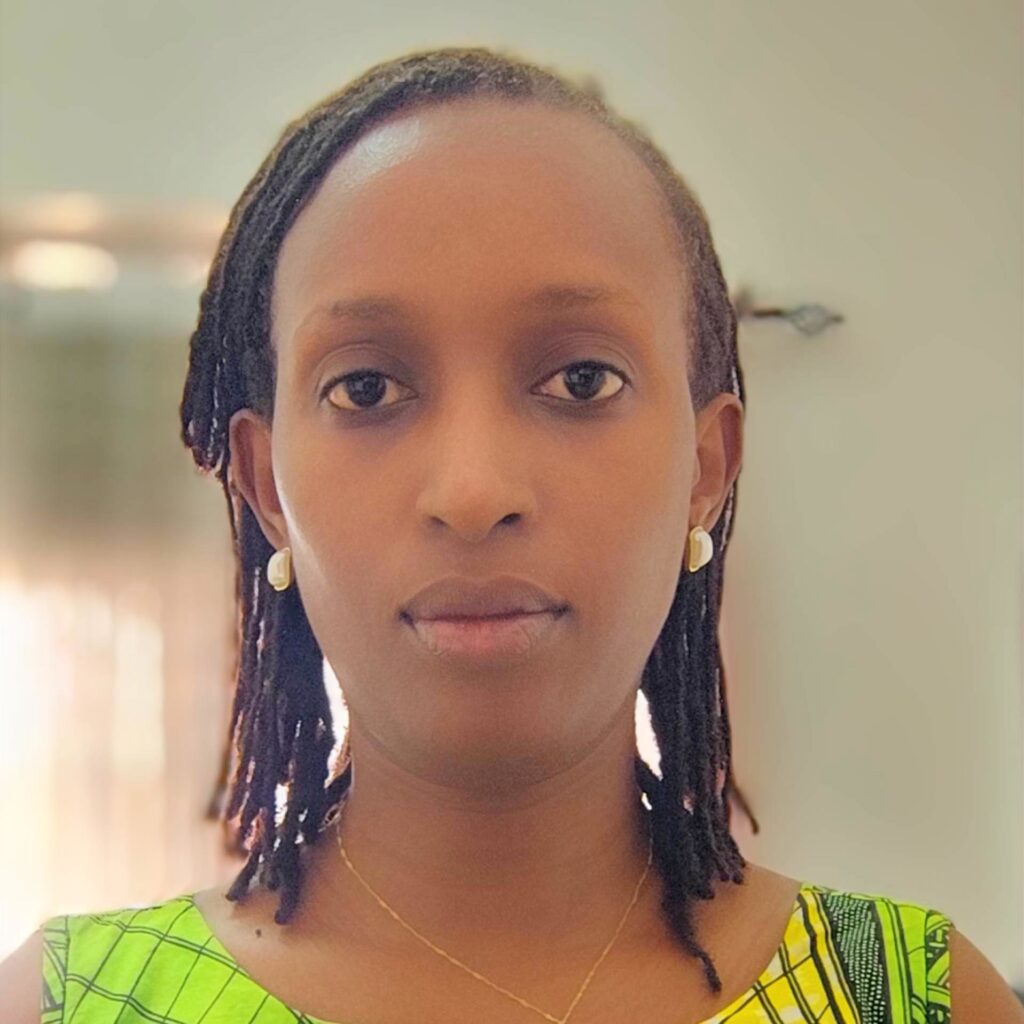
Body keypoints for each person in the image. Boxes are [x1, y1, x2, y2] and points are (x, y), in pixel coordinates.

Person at [2, 44, 1020, 1024]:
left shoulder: (916, 1000)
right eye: (367, 387)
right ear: (267, 485)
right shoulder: (69, 1007)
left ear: (705, 467)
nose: (473, 490)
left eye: (581, 379)